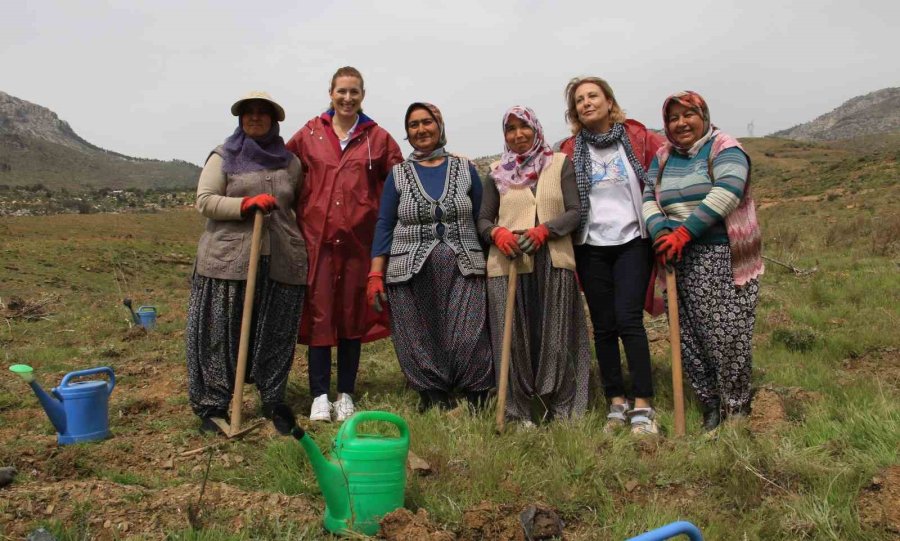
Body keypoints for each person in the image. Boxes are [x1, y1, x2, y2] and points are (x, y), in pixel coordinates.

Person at [286, 67, 403, 422]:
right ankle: (320, 394)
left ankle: (346, 393)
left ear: (363, 95)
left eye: (354, 92)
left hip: (359, 244)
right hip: (317, 242)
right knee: (321, 314)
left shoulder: (377, 138)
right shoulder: (308, 135)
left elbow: (400, 180)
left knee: (353, 315)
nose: (347, 98)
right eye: (342, 91)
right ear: (330, 93)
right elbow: (284, 171)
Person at [186, 91, 306, 435]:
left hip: (281, 257)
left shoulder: (289, 162)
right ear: (240, 119)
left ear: (274, 120)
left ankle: (272, 399)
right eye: (249, 113)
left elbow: (295, 202)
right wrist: (244, 205)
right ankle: (213, 404)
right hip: (229, 259)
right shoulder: (223, 156)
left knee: (275, 332)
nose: (255, 118)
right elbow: (205, 201)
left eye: (262, 113)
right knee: (220, 332)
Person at [643, 90, 763, 432]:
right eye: (673, 118)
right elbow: (648, 196)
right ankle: (710, 404)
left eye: (688, 115)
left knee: (726, 335)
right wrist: (662, 230)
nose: (681, 123)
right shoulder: (664, 156)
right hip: (675, 256)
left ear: (703, 115)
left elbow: (728, 190)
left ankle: (735, 407)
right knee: (688, 337)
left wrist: (685, 232)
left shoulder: (725, 148)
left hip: (720, 252)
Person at [367, 102, 494, 412]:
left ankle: (476, 392)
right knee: (418, 333)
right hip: (409, 267)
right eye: (413, 125)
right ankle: (433, 394)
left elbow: (482, 218)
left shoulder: (466, 170)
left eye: (427, 122)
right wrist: (375, 273)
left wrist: (494, 260)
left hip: (464, 264)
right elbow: (385, 223)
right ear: (408, 134)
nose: (421, 129)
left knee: (469, 333)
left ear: (440, 127)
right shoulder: (398, 174)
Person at [559, 77, 665, 435]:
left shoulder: (635, 138)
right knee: (603, 326)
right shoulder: (569, 149)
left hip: (633, 239)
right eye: (579, 100)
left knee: (628, 320)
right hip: (590, 244)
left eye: (593, 96)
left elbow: (666, 164)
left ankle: (644, 404)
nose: (586, 103)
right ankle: (615, 402)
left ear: (608, 101)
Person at [477, 105, 591, 426]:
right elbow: (484, 218)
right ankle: (517, 412)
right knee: (511, 338)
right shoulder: (498, 172)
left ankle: (564, 409)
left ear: (535, 127)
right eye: (510, 129)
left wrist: (546, 230)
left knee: (558, 335)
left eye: (523, 126)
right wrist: (496, 233)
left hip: (553, 260)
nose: (518, 135)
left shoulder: (559, 165)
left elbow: (574, 211)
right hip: (509, 263)